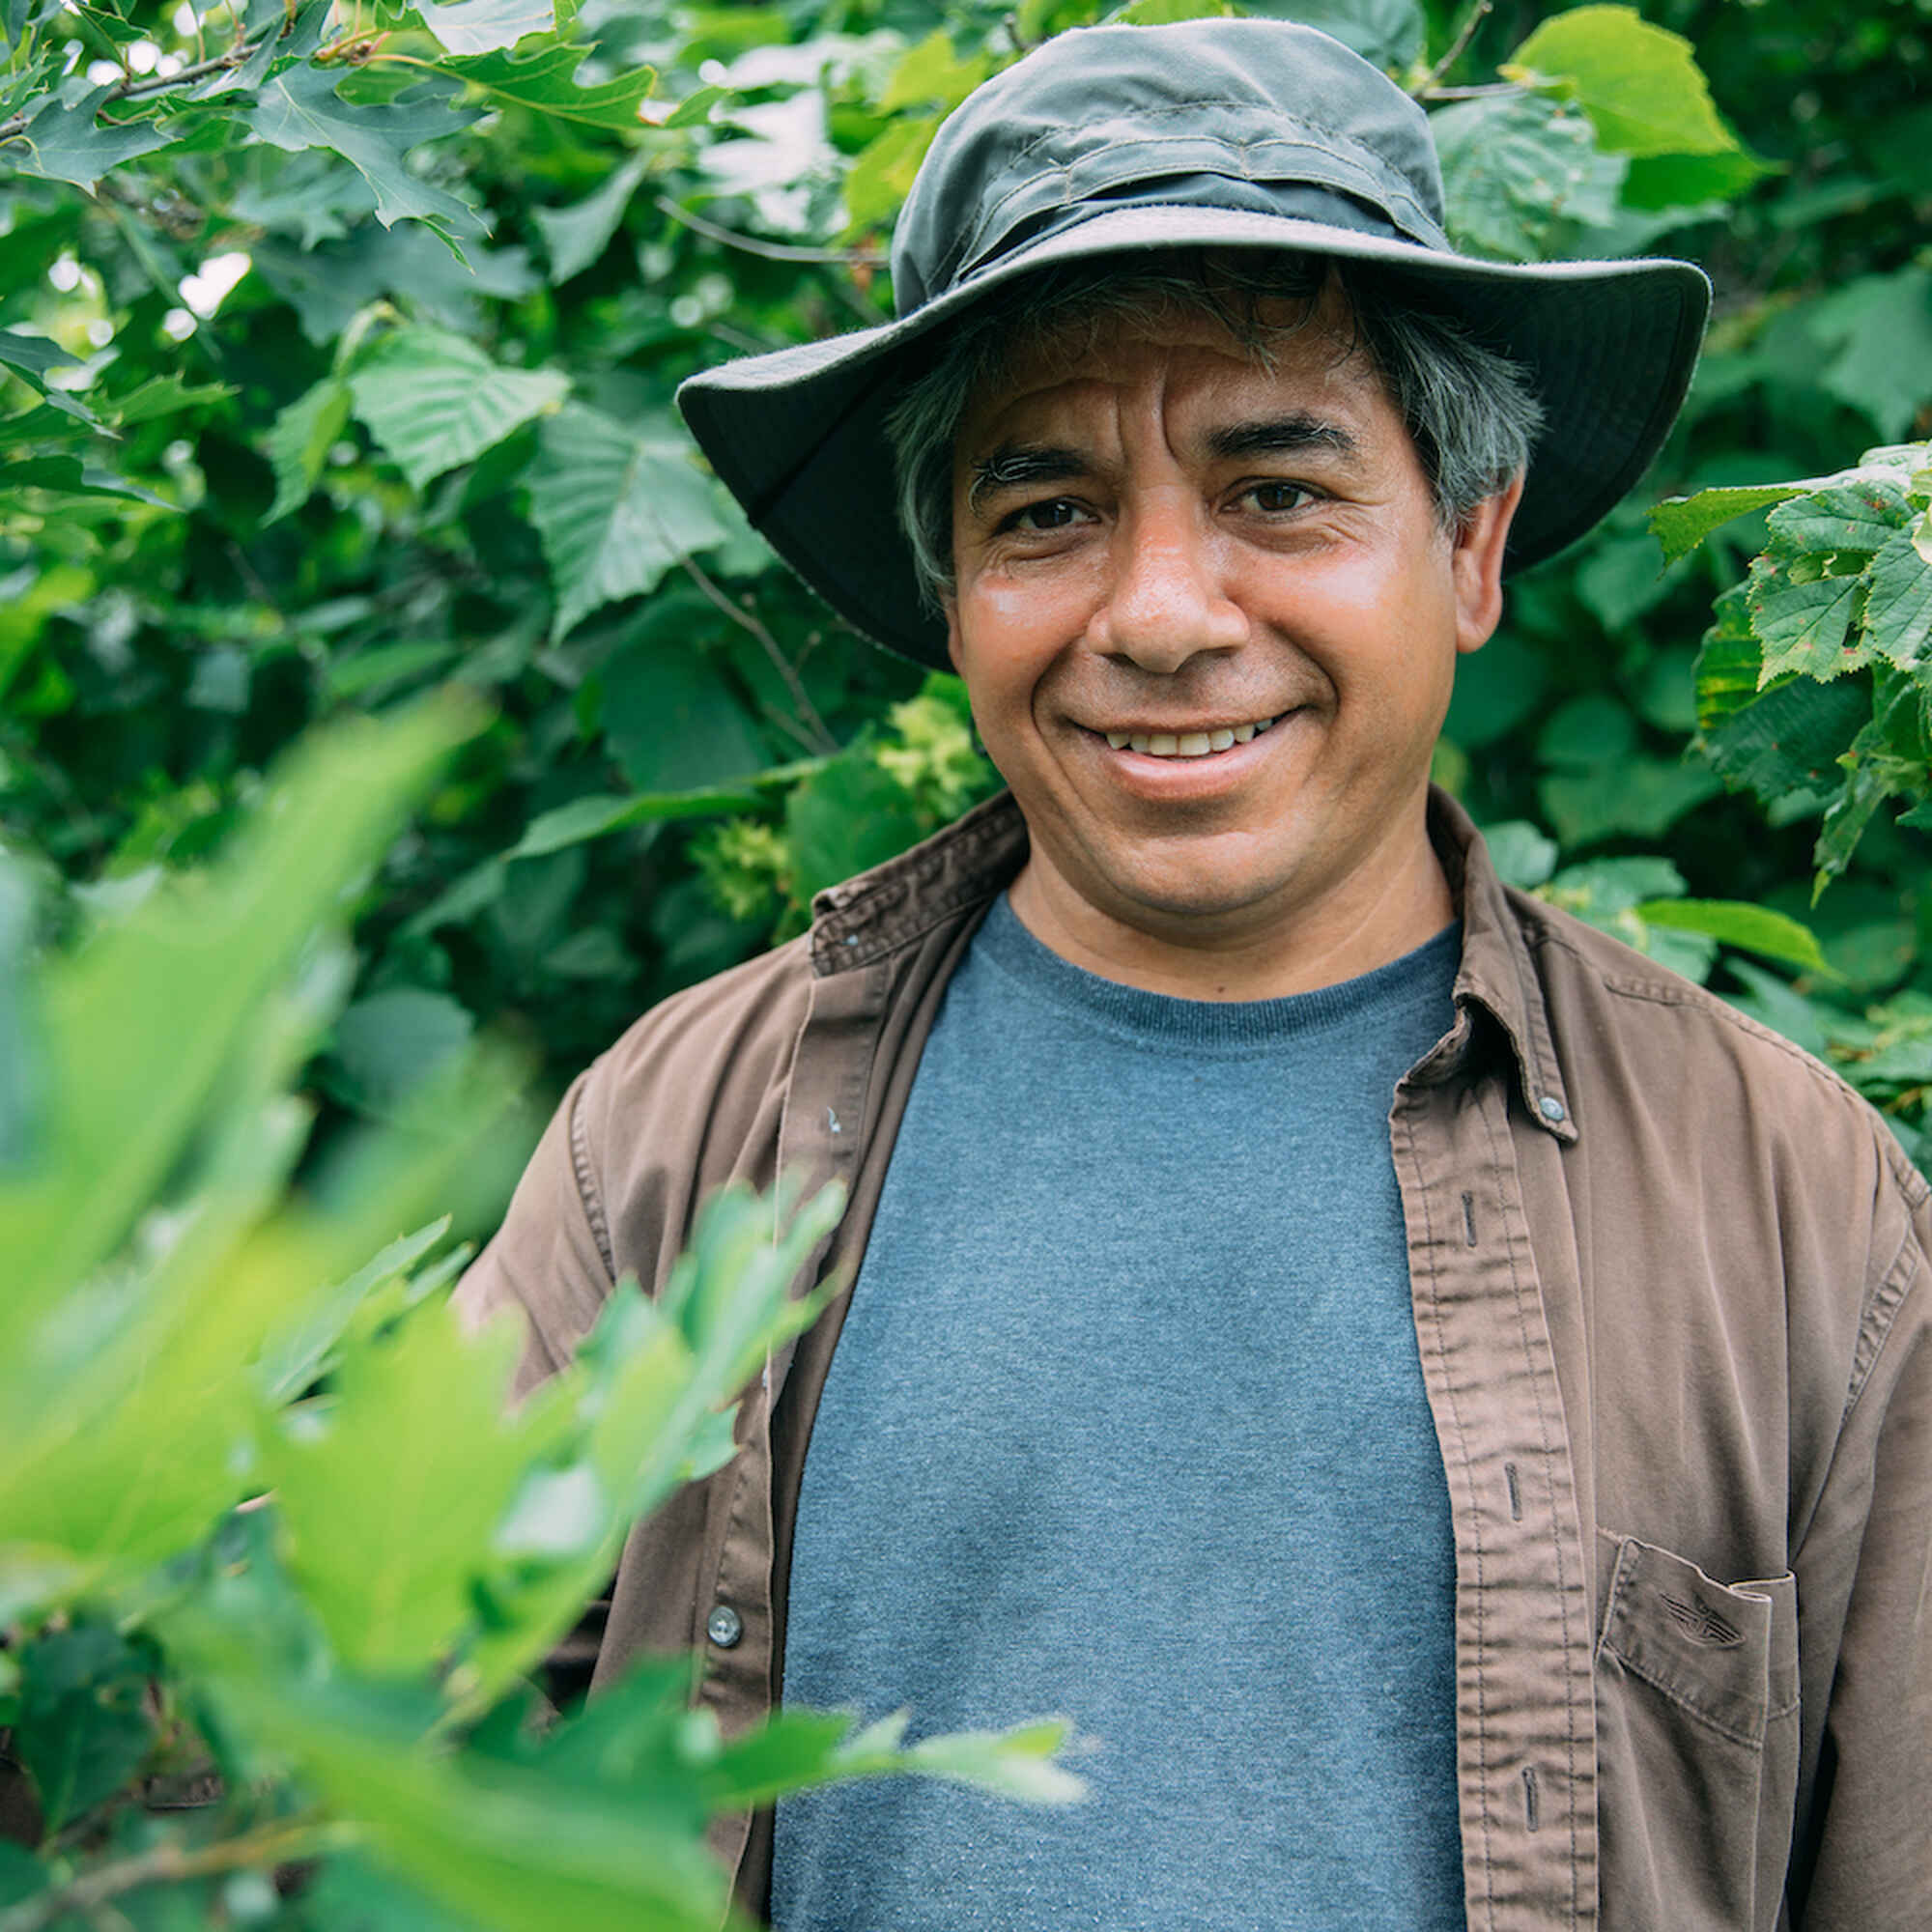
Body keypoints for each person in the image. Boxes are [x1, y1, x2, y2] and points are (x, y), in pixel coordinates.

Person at [456, 19, 1931, 1929]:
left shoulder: (1785, 1201)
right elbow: (363, 1749)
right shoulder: (682, 1141)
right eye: (1046, 509)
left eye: (1277, 489)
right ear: (953, 591)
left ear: (1467, 547)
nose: (1159, 614)